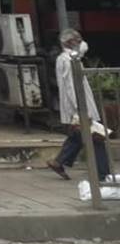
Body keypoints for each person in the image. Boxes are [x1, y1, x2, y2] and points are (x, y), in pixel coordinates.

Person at [48, 29, 113, 180]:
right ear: (70, 42)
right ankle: (103, 174)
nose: (82, 43)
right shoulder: (68, 60)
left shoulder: (72, 59)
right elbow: (71, 87)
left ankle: (59, 162)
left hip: (79, 108)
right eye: (78, 40)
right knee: (96, 139)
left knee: (78, 137)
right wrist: (81, 110)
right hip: (79, 109)